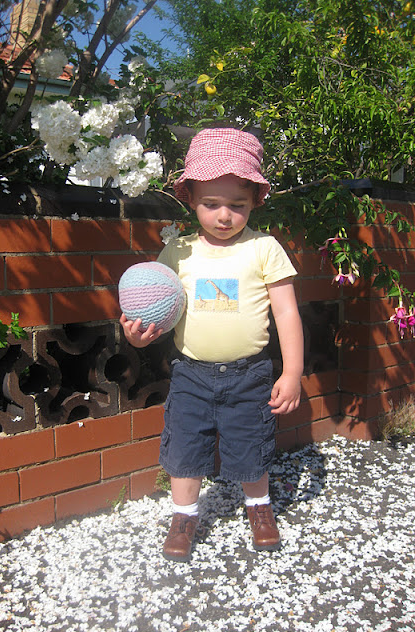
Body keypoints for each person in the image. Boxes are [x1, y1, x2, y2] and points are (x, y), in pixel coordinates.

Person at [120, 128, 304, 562]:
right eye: (211, 204)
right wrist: (138, 335)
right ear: (191, 200)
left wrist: (292, 371)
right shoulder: (178, 253)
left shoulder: (264, 248)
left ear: (255, 200)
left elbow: (286, 313)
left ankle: (259, 507)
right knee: (184, 447)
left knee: (251, 444)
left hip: (249, 374)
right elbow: (160, 310)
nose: (224, 215)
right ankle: (184, 516)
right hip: (191, 375)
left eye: (237, 205)